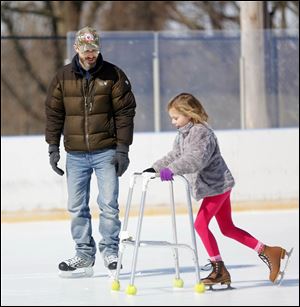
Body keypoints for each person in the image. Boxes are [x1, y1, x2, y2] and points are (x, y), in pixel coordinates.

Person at [143, 92, 291, 288]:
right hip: (215, 187)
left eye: (175, 117)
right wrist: (156, 168)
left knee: (200, 224)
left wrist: (171, 170)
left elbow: (196, 159)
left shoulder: (201, 132)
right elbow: (176, 154)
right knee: (227, 228)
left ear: (189, 113)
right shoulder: (183, 135)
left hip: (217, 186)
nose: (173, 121)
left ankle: (218, 269)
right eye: (171, 117)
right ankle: (268, 251)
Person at [45, 26, 136, 277]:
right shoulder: (63, 77)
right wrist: (53, 147)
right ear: (76, 49)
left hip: (106, 150)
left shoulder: (114, 75)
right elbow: (54, 113)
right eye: (86, 50)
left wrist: (122, 149)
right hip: (75, 154)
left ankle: (110, 251)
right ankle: (84, 254)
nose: (90, 55)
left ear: (98, 49)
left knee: (108, 205)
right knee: (76, 207)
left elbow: (125, 113)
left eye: (94, 49)